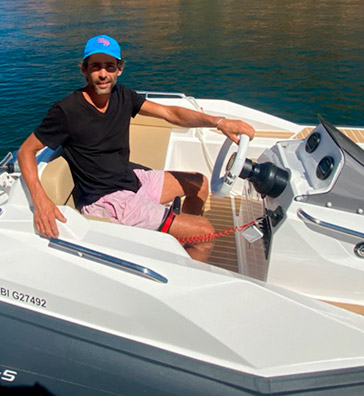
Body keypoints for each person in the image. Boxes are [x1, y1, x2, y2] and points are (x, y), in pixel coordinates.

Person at [17, 35, 255, 262]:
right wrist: (41, 201)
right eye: (96, 66)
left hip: (130, 180)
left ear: (119, 69)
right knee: (204, 235)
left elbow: (171, 113)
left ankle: (179, 247)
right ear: (84, 70)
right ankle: (184, 272)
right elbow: (25, 151)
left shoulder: (123, 96)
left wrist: (220, 122)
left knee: (199, 184)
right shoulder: (66, 111)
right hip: (107, 199)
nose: (103, 74)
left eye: (110, 66)